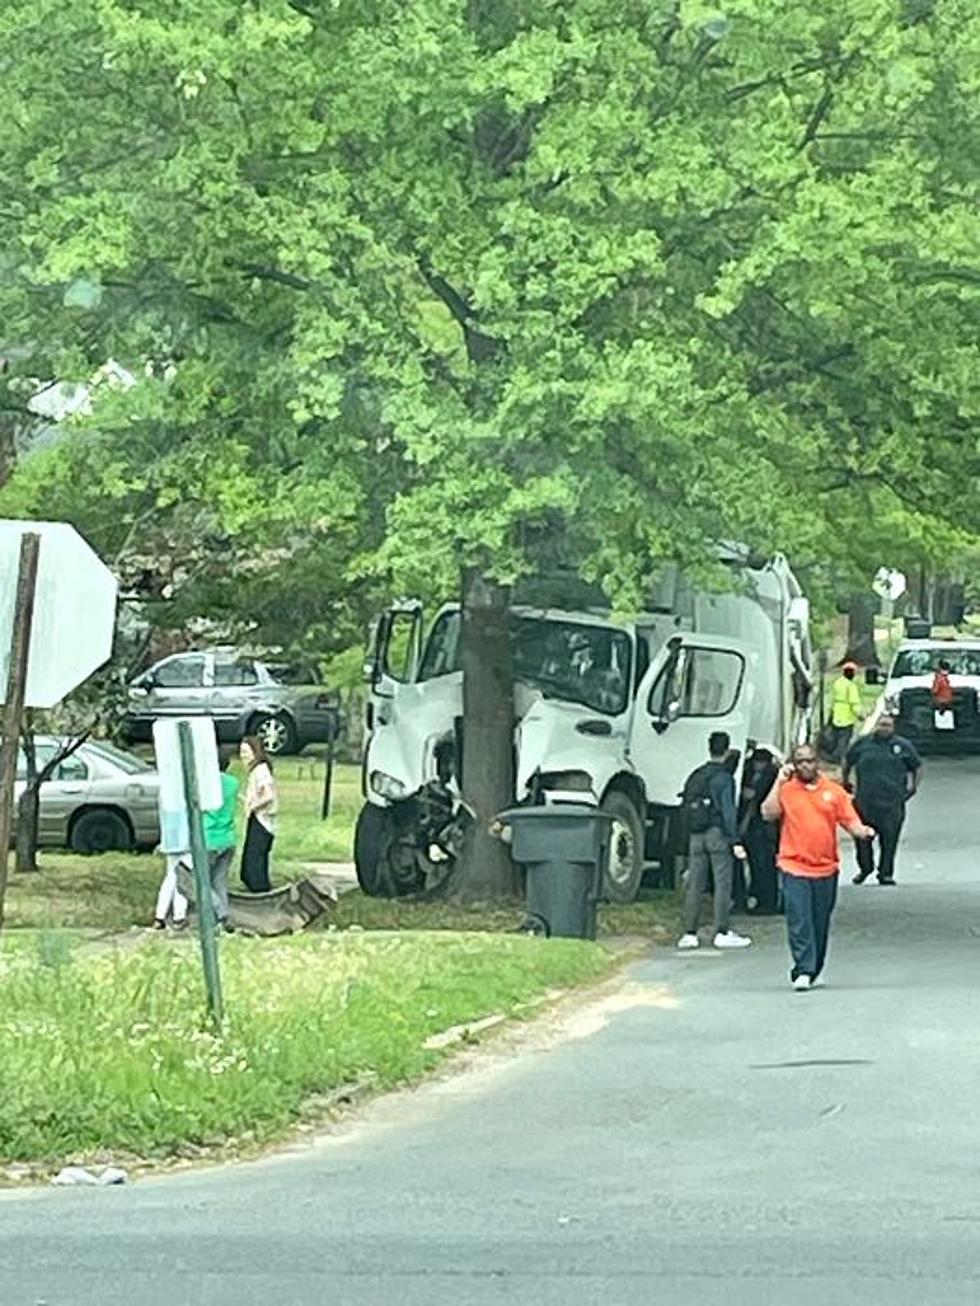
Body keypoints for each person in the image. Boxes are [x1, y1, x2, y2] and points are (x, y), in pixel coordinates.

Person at [762, 743, 874, 991]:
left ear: (817, 763)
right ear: (793, 764)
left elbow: (850, 821)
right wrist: (778, 781)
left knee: (819, 921)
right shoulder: (787, 790)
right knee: (799, 919)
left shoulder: (833, 792)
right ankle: (803, 969)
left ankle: (815, 968)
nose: (805, 765)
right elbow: (768, 813)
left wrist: (863, 832)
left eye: (809, 761)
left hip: (825, 868)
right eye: (800, 761)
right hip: (793, 866)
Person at [677, 731, 751, 951]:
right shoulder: (724, 778)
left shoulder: (696, 775)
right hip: (717, 834)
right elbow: (728, 811)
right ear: (726, 749)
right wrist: (735, 840)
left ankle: (689, 933)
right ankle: (722, 931)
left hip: (696, 835)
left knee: (695, 886)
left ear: (709, 748)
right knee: (722, 884)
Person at [844, 714, 922, 886]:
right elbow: (848, 761)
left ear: (893, 727)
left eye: (887, 725)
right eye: (881, 725)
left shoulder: (902, 746)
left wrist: (913, 787)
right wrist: (846, 781)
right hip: (865, 801)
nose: (884, 728)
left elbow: (916, 766)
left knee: (889, 840)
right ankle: (866, 867)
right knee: (862, 839)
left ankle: (885, 873)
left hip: (891, 803)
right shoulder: (863, 744)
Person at [738, 746, 781, 914]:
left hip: (763, 828)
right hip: (755, 827)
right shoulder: (753, 773)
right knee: (759, 865)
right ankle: (760, 897)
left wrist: (753, 795)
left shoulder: (771, 776)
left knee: (764, 865)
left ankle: (766, 901)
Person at [203, 746, 241, 928]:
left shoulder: (205, 784)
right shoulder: (233, 783)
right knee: (220, 881)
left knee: (201, 880)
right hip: (228, 837)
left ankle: (218, 910)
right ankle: (223, 916)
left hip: (208, 837)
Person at [240, 735, 277, 893]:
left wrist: (252, 807)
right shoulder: (257, 770)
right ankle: (259, 891)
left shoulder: (260, 770)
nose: (243, 755)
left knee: (253, 863)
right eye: (241, 752)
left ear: (256, 752)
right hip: (258, 819)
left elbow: (268, 795)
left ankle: (261, 893)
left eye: (246, 752)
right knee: (253, 862)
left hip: (261, 821)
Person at [830, 661, 864, 763]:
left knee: (836, 737)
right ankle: (839, 758)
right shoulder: (851, 686)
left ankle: (834, 755)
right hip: (847, 716)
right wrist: (860, 715)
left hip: (837, 714)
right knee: (844, 739)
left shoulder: (838, 683)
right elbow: (854, 703)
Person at [153, 852, 189, 931]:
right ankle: (179, 917)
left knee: (170, 880)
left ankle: (159, 917)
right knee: (182, 878)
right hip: (186, 848)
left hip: (170, 846)